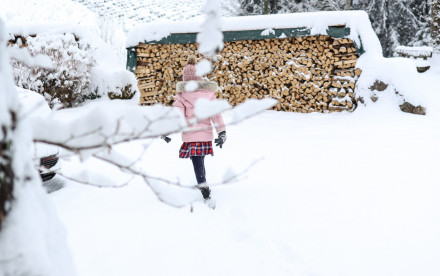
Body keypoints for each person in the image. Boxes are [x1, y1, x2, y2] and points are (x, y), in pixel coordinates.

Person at [172, 55, 227, 203]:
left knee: (197, 162)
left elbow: (177, 117)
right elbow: (216, 115)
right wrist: (222, 132)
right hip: (205, 135)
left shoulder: (181, 95)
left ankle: (204, 188)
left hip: (191, 136)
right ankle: (202, 181)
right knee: (200, 160)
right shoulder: (209, 94)